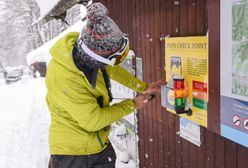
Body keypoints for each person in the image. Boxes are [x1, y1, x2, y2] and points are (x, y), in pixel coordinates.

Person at [46, 2, 165, 168]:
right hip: (73, 154)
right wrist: (133, 104)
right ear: (94, 60)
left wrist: (142, 87)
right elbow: (94, 121)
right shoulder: (66, 78)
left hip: (97, 143)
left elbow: (110, 69)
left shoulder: (85, 48)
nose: (111, 64)